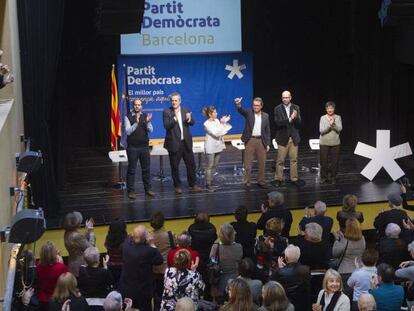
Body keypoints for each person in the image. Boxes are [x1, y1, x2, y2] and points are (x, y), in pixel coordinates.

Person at [163, 92, 202, 194]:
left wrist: (189, 120)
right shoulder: (167, 112)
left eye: (176, 100)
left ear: (180, 101)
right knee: (175, 166)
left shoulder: (186, 110)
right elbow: (166, 125)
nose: (174, 102)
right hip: (174, 143)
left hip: (186, 143)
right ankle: (177, 186)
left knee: (191, 165)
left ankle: (193, 184)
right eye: (172, 100)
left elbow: (192, 123)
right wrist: (174, 118)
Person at [118, 225, 163, 311]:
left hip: (127, 288)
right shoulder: (149, 251)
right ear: (145, 238)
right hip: (143, 292)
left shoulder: (125, 246)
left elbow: (129, 239)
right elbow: (159, 260)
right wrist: (152, 243)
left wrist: (135, 236)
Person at [234, 96, 271, 189]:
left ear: (261, 106)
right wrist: (238, 104)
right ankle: (247, 182)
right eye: (254, 105)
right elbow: (241, 110)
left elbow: (267, 130)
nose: (255, 107)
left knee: (262, 162)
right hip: (250, 140)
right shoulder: (249, 113)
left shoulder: (266, 116)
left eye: (257, 105)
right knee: (247, 163)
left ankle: (261, 181)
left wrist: (267, 143)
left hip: (261, 141)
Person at [125, 98, 155, 199]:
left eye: (139, 105)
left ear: (141, 106)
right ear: (133, 106)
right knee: (131, 170)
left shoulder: (145, 116)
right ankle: (131, 191)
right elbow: (128, 132)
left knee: (146, 169)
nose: (137, 106)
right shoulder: (128, 117)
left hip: (144, 148)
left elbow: (151, 130)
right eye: (135, 105)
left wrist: (147, 122)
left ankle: (148, 189)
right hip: (132, 148)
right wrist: (136, 123)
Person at [273, 90, 301, 187]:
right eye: (283, 97)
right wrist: (290, 119)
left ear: (290, 98)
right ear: (282, 98)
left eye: (287, 97)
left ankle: (294, 179)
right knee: (280, 160)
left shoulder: (296, 107)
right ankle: (278, 179)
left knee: (294, 160)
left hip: (293, 138)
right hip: (282, 138)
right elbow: (278, 122)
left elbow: (299, 123)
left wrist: (295, 118)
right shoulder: (277, 109)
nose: (285, 99)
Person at [271, 244, 311, 311]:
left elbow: (270, 284)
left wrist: (279, 269)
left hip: (285, 306)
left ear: (286, 258)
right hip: (302, 306)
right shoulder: (306, 269)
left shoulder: (280, 272)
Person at [210, 223, 243, 303]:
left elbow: (211, 261)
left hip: (219, 280)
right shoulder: (239, 247)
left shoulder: (215, 247)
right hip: (235, 279)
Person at [202, 105, 232, 192]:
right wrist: (223, 123)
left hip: (218, 145)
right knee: (210, 165)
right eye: (215, 112)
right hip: (211, 147)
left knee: (215, 165)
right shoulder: (206, 124)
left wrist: (223, 122)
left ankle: (211, 181)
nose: (216, 113)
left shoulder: (217, 121)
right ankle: (208, 184)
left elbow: (222, 132)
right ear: (210, 114)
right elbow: (216, 133)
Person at [150, 211, 175, 311]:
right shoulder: (169, 235)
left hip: (153, 270)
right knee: (167, 294)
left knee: (156, 294)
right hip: (166, 270)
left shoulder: (148, 236)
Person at [36, 241, 69, 311]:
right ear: (54, 254)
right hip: (56, 300)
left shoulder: (38, 266)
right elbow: (68, 280)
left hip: (41, 300)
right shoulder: (60, 267)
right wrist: (62, 263)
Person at [62, 211, 95, 277]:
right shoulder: (77, 236)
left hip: (72, 265)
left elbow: (80, 243)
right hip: (80, 267)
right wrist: (91, 234)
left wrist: (87, 231)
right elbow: (91, 249)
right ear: (75, 223)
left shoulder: (67, 232)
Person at [255, 218, 288, 282]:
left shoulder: (259, 240)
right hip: (279, 273)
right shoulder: (285, 241)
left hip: (263, 274)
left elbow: (258, 258)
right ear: (279, 232)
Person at [319, 101, 343, 184]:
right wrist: (329, 125)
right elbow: (321, 131)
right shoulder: (323, 118)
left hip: (335, 142)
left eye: (331, 108)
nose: (330, 110)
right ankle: (323, 177)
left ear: (334, 109)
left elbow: (339, 129)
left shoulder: (338, 117)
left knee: (334, 161)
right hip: (324, 142)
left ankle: (333, 177)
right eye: (328, 108)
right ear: (326, 109)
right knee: (324, 161)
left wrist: (334, 124)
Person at [104, 219, 128, 286]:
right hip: (123, 267)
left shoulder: (108, 239)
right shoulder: (126, 240)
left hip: (111, 266)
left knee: (114, 284)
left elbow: (106, 245)